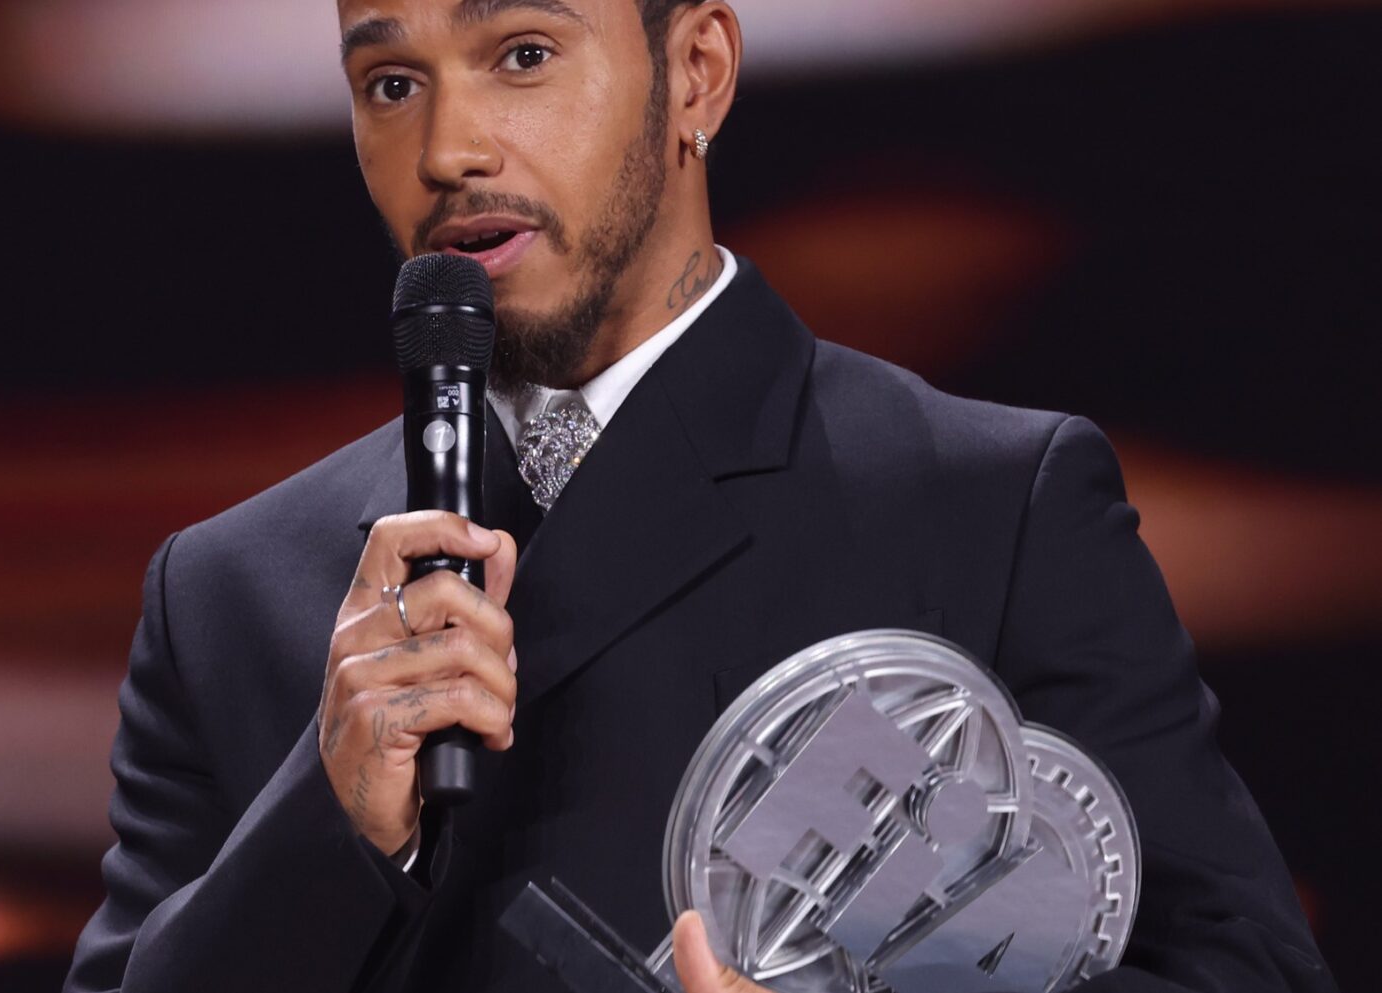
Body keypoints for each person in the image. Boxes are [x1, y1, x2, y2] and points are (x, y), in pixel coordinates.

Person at [65, 1, 1336, 991]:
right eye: (390, 83)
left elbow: (1241, 971)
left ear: (695, 75)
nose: (447, 149)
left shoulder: (987, 504)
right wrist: (328, 822)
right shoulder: (227, 589)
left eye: (520, 56)